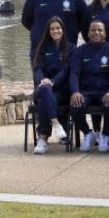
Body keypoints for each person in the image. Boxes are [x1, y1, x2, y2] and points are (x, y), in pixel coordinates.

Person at [69, 19, 109, 154]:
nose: (96, 32)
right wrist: (75, 91)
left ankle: (104, 135)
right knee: (75, 105)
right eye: (93, 30)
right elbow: (74, 73)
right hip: (85, 91)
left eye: (100, 30)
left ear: (105, 33)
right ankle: (88, 133)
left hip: (105, 90)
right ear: (88, 33)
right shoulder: (79, 51)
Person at [30, 18, 72, 154]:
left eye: (58, 28)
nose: (55, 31)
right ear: (48, 31)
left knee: (43, 102)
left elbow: (66, 71)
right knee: (44, 90)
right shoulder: (42, 48)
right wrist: (43, 80)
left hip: (61, 91)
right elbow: (37, 69)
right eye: (52, 29)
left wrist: (52, 81)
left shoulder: (71, 48)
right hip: (42, 88)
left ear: (63, 30)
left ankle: (42, 139)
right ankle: (56, 123)